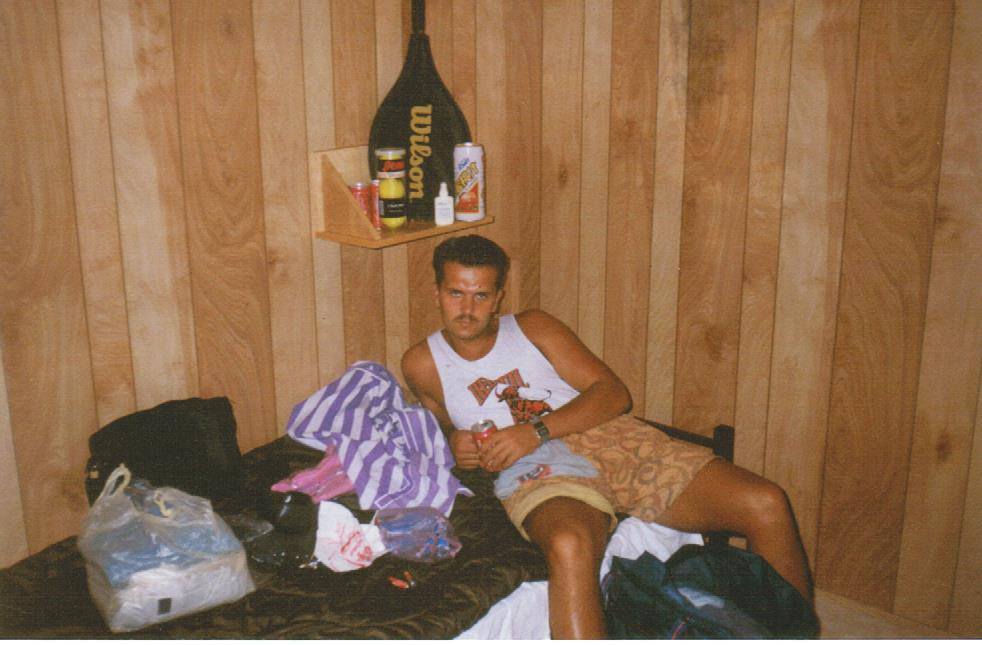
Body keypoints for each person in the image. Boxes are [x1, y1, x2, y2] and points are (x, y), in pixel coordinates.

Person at [401, 235, 813, 639]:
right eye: (456, 293)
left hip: (605, 435)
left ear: (498, 297)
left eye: (481, 295)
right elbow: (443, 427)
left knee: (766, 502)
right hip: (535, 466)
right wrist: (456, 443)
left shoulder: (532, 327)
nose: (468, 309)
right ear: (437, 292)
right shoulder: (421, 363)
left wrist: (535, 431)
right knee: (568, 544)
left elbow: (614, 394)